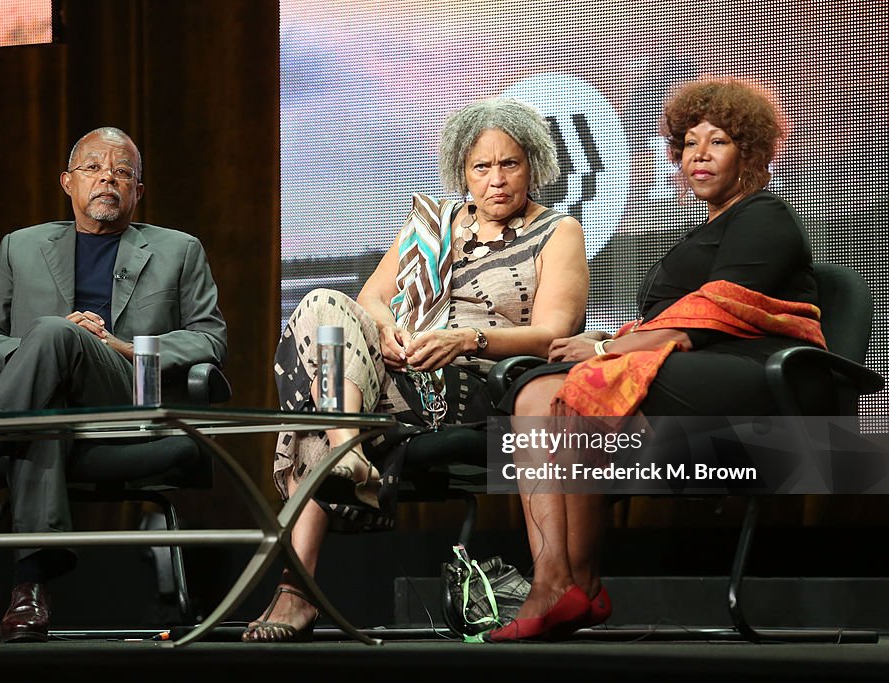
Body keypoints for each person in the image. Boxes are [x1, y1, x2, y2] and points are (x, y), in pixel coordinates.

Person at [242, 99, 589, 642]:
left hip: (478, 384)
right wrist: (387, 331)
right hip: (395, 376)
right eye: (482, 167)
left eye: (510, 164)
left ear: (534, 166)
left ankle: (297, 588)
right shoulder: (433, 223)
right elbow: (371, 300)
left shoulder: (557, 232)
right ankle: (347, 446)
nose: (496, 180)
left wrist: (466, 338)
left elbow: (553, 335)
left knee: (318, 406)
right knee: (320, 304)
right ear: (462, 172)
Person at [491, 78, 825, 642]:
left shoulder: (765, 215)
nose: (698, 155)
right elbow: (672, 322)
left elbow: (714, 312)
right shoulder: (706, 227)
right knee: (537, 394)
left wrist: (603, 349)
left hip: (758, 372)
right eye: (688, 143)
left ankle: (561, 587)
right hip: (692, 367)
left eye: (717, 142)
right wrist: (611, 340)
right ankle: (569, 583)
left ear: (750, 151)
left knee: (576, 388)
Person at [0, 127, 228, 642]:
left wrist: (124, 348)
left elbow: (210, 339)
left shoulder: (179, 250)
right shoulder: (20, 247)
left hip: (125, 397)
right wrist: (45, 353)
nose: (108, 177)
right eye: (93, 167)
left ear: (138, 192)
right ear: (67, 182)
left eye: (123, 171)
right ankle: (28, 592)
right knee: (47, 376)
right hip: (46, 408)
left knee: (51, 335)